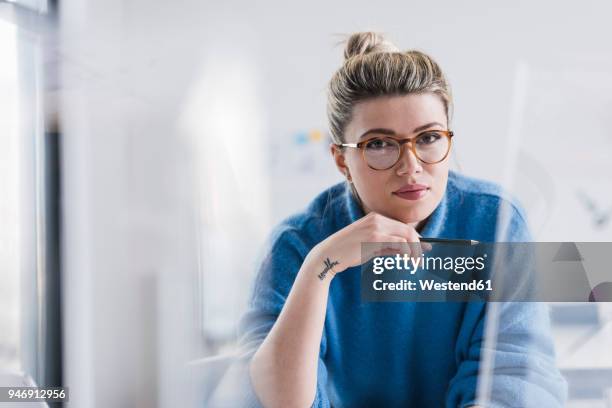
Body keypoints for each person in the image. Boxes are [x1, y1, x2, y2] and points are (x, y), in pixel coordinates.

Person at [236, 32, 567, 407]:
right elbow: (277, 400)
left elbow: (518, 375)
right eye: (378, 144)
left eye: (428, 138)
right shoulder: (296, 244)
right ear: (342, 159)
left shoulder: (497, 221)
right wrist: (320, 268)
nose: (410, 167)